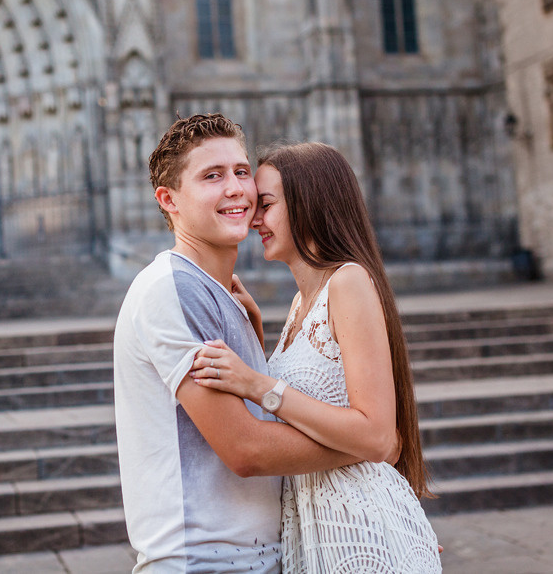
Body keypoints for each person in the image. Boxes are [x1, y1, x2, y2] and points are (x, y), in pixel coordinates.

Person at [113, 115, 367, 573]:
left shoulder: (223, 296)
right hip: (205, 562)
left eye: (241, 171)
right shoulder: (173, 288)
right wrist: (371, 447)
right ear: (168, 200)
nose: (236, 188)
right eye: (212, 176)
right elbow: (246, 450)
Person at [189, 142, 442, 573]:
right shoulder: (297, 305)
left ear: (308, 204)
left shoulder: (348, 282)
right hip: (316, 533)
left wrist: (258, 383)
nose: (254, 220)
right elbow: (315, 403)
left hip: (362, 534)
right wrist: (257, 337)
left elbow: (379, 435)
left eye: (265, 205)